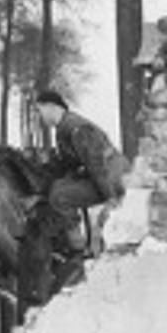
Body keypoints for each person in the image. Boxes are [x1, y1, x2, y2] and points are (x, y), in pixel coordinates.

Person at [33, 90, 129, 249]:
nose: (40, 116)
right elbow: (70, 163)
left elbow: (97, 165)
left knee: (60, 196)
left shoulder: (77, 128)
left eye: (40, 110)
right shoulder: (65, 127)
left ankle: (77, 246)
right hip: (105, 176)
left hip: (113, 178)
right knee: (58, 188)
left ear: (51, 107)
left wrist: (111, 197)